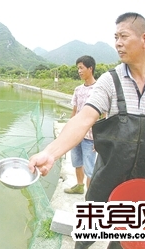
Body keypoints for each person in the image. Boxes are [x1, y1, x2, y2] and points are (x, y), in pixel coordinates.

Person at [28, 12, 145, 249]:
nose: (117, 43)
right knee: (87, 235)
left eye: (123, 36)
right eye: (115, 37)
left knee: (125, 242)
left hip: (140, 185)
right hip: (105, 179)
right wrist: (51, 153)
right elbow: (83, 119)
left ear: (144, 39)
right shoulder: (109, 81)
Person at [64, 55, 97, 194]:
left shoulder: (99, 89)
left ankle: (90, 195)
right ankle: (79, 186)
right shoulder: (78, 89)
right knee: (77, 162)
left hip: (90, 136)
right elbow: (75, 112)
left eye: (81, 68)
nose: (79, 71)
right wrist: (68, 132)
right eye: (78, 68)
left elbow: (104, 116)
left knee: (90, 167)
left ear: (90, 68)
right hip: (76, 134)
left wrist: (99, 138)